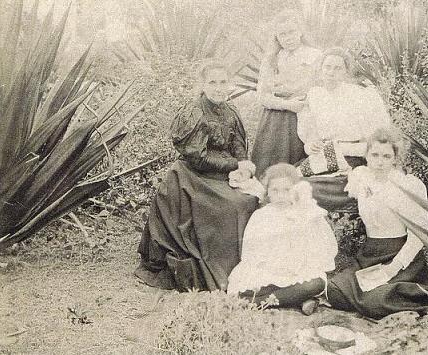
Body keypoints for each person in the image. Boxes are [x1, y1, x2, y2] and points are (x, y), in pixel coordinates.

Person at [135, 60, 259, 292]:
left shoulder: (230, 111)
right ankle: (220, 268)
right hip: (194, 174)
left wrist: (243, 165)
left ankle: (244, 266)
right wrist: (234, 164)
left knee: (252, 199)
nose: (219, 87)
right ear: (202, 84)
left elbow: (238, 144)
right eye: (213, 82)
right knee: (232, 205)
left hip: (224, 172)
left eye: (223, 82)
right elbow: (198, 158)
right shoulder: (194, 112)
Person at [326, 127, 428, 319]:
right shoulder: (361, 177)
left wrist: (394, 266)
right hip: (369, 254)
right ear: (366, 155)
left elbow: (420, 234)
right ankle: (384, 307)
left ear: (395, 158)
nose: (380, 162)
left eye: (386, 156)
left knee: (376, 300)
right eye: (374, 155)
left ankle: (401, 305)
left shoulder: (408, 185)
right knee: (334, 290)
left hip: (399, 255)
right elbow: (348, 188)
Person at [227, 163, 338, 314]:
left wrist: (299, 264)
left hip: (297, 270)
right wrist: (273, 266)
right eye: (275, 190)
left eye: (286, 190)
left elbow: (320, 247)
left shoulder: (304, 213)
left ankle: (255, 303)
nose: (280, 196)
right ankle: (297, 299)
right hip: (269, 269)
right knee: (242, 288)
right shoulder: (261, 216)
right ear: (268, 192)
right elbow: (250, 252)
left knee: (316, 284)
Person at [296, 47, 391, 211]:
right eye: (327, 67)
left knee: (305, 187)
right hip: (323, 155)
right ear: (321, 69)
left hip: (350, 157)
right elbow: (309, 132)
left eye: (337, 68)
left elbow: (375, 137)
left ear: (346, 72)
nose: (331, 72)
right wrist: (311, 144)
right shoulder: (315, 95)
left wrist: (346, 148)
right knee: (289, 180)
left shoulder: (359, 95)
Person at [251, 10, 322, 178]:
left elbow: (321, 89)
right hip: (275, 118)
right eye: (282, 34)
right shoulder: (272, 59)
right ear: (276, 37)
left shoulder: (315, 56)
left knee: (300, 166)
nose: (288, 38)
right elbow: (262, 95)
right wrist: (286, 104)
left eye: (291, 32)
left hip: (304, 115)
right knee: (269, 165)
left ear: (300, 31)